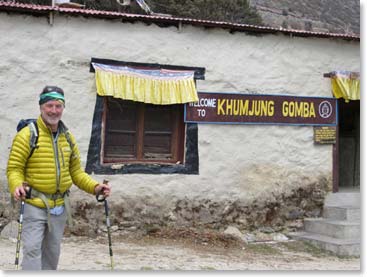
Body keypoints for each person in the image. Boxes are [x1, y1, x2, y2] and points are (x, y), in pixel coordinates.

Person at [7, 85, 111, 270]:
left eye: (58, 106)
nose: (54, 110)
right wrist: (16, 185)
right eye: (49, 105)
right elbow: (14, 168)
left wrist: (95, 188)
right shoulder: (27, 136)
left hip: (60, 206)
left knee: (52, 252)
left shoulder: (68, 137)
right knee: (32, 250)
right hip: (34, 203)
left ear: (63, 108)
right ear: (41, 107)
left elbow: (77, 173)